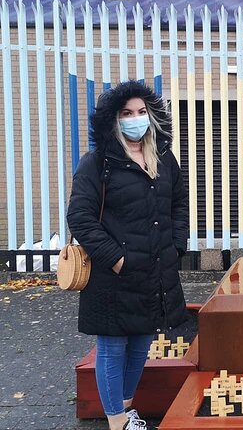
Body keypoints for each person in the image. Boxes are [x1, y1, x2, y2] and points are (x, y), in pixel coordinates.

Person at [67, 80, 189, 430]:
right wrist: (116, 259)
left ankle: (124, 408)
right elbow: (80, 217)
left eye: (141, 112)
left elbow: (179, 204)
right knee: (112, 345)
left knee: (141, 342)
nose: (136, 119)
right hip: (114, 274)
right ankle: (116, 420)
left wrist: (176, 246)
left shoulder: (163, 158)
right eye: (126, 113)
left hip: (155, 270)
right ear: (113, 119)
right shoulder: (98, 163)